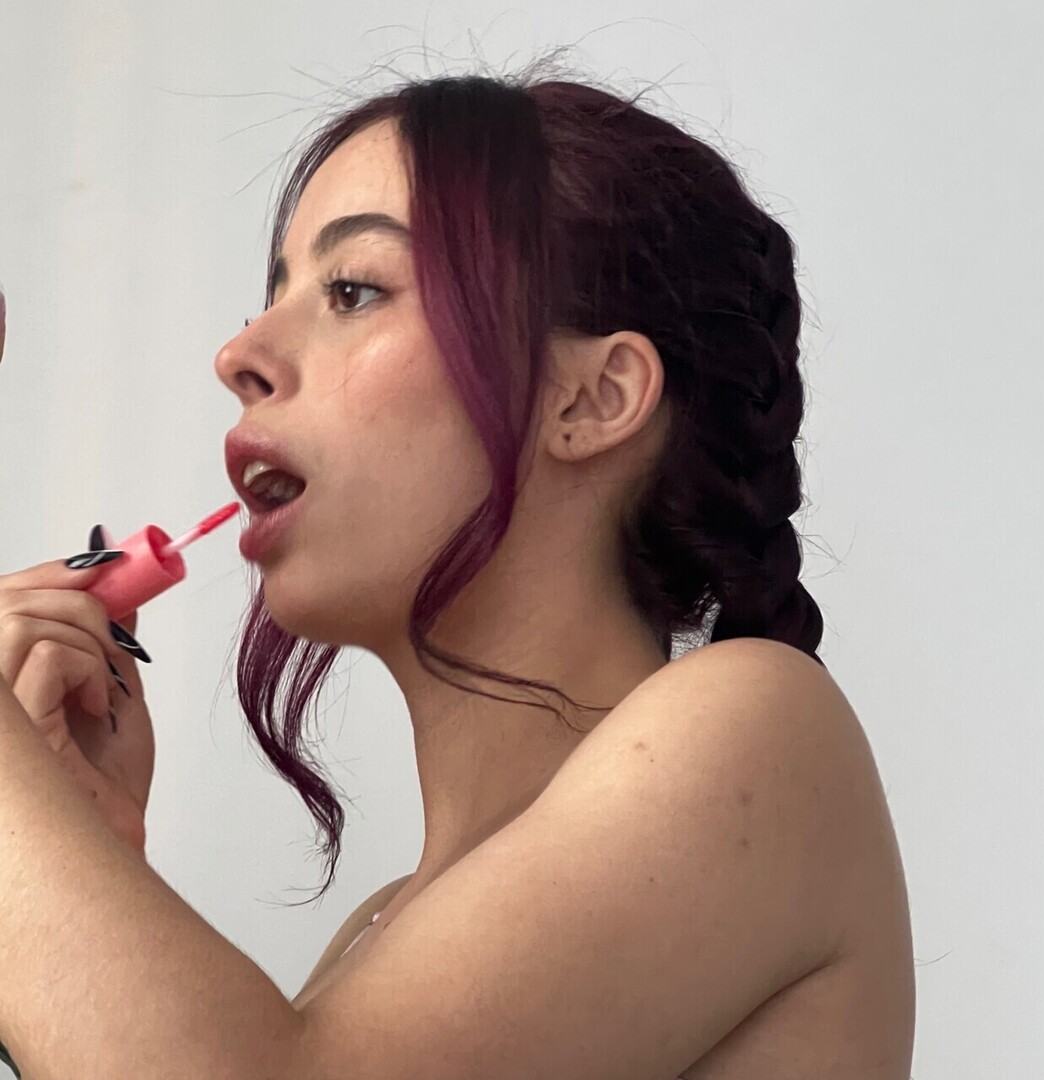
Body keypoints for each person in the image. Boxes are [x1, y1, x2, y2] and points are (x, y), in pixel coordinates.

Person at [0, 62, 915, 1078]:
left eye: (353, 290)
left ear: (593, 398)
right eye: (275, 294)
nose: (239, 353)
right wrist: (73, 856)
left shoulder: (760, 721)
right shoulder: (377, 937)